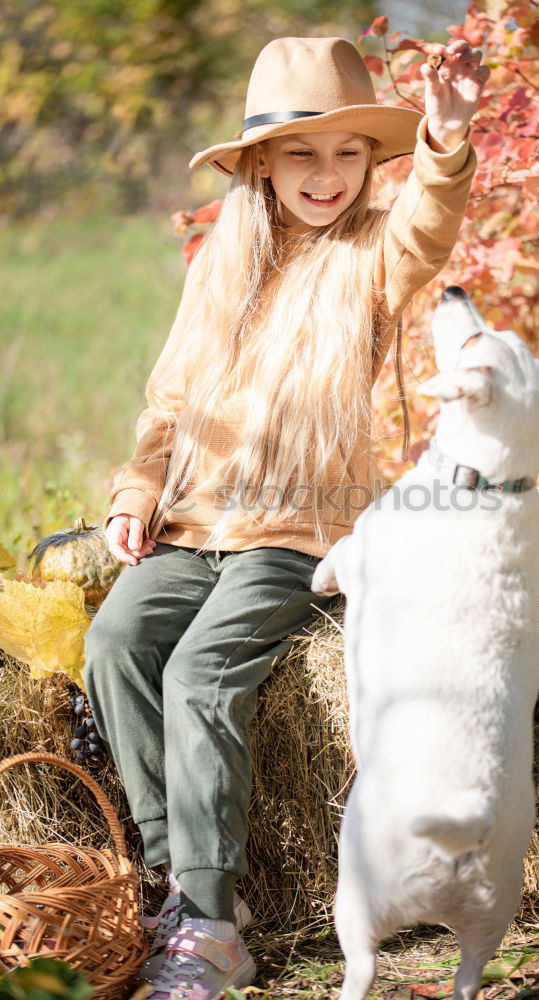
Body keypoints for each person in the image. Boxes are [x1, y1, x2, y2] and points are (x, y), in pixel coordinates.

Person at [82, 33, 489, 1000]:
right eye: (303, 153)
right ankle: (172, 877)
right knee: (114, 642)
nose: (327, 175)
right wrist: (137, 494)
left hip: (296, 531)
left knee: (199, 671)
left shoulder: (371, 256)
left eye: (350, 153)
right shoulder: (220, 268)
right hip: (195, 522)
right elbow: (168, 403)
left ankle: (214, 927)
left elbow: (428, 225)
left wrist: (448, 132)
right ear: (260, 161)